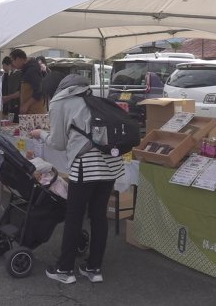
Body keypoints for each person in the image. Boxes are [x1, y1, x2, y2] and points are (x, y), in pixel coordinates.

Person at [30, 75, 124, 284]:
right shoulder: (94, 96)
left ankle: (65, 270)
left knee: (74, 216)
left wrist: (40, 134)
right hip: (111, 164)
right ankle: (94, 268)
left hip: (85, 166)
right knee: (99, 215)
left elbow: (58, 142)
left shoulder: (59, 102)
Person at [6, 49, 46, 115]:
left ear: (18, 59)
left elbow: (39, 91)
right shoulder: (25, 70)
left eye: (12, 60)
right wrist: (7, 98)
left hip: (35, 114)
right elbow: (21, 91)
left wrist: (26, 105)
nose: (12, 64)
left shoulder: (32, 70)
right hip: (28, 113)